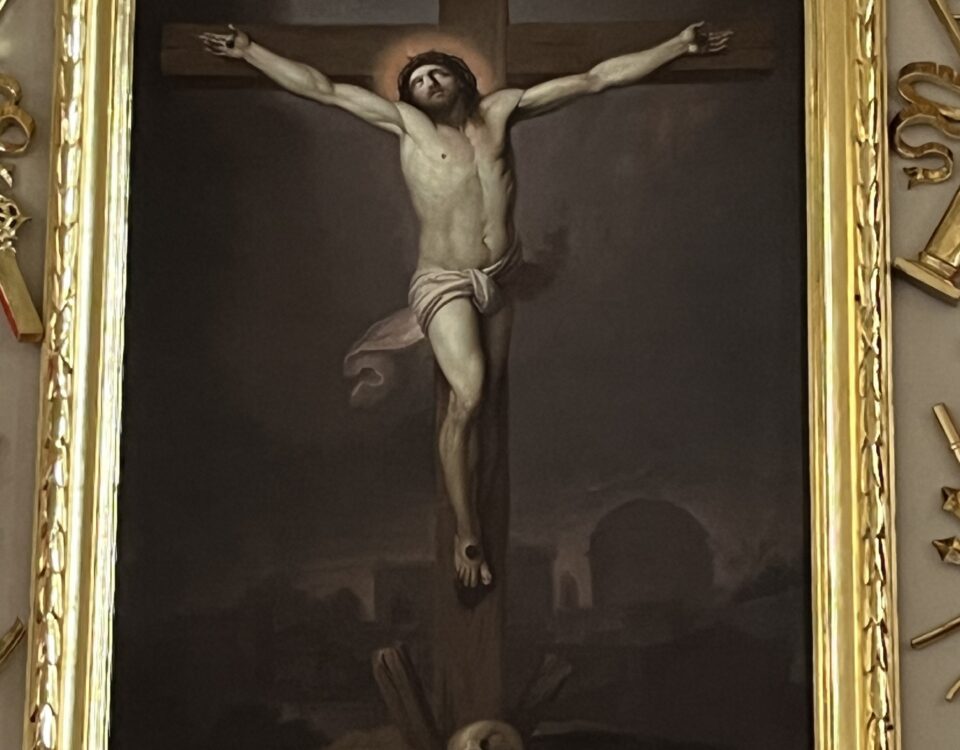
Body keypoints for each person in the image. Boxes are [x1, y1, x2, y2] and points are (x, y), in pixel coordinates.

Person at [200, 23, 732, 590]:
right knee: (470, 394)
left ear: (461, 79)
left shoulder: (501, 112)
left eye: (438, 73)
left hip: (500, 277)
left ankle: (482, 517)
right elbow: (321, 88)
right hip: (444, 281)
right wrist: (249, 51)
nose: (430, 83)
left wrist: (680, 45)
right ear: (409, 95)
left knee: (490, 408)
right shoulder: (408, 126)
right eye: (418, 80)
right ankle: (466, 533)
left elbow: (596, 79)